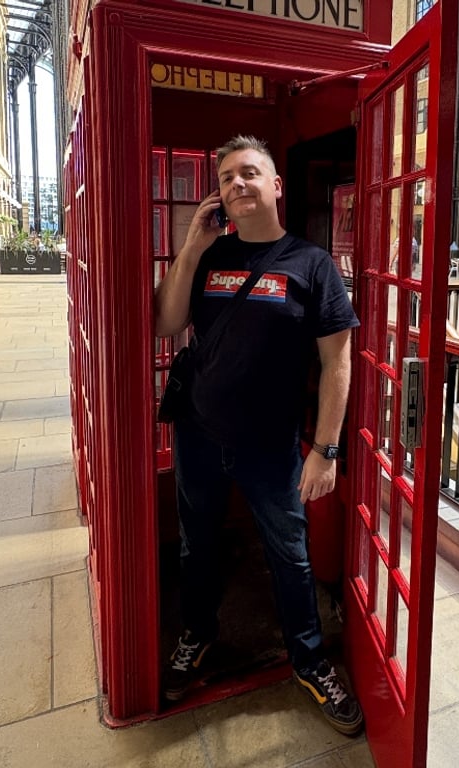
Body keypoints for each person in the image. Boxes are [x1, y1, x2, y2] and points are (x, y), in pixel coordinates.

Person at [154, 135, 363, 737]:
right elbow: (167, 324)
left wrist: (325, 450)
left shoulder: (312, 264)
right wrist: (191, 247)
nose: (236, 184)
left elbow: (338, 364)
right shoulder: (210, 257)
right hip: (198, 434)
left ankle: (308, 658)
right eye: (225, 178)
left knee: (290, 555)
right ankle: (197, 634)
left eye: (249, 173)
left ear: (275, 186)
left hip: (271, 447)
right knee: (197, 545)